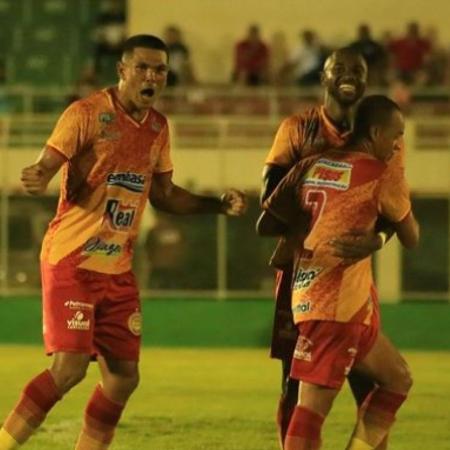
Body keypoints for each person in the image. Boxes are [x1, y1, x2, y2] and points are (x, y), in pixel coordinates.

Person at [0, 34, 246, 449]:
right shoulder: (87, 114)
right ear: (122, 70)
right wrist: (39, 174)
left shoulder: (157, 128)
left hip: (116, 270)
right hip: (72, 261)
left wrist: (216, 205)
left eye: (161, 69)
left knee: (123, 377)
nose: (152, 76)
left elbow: (165, 195)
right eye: (143, 67)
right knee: (70, 369)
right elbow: (47, 163)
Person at [260, 47, 404, 449]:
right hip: (303, 275)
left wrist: (376, 239)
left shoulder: (385, 136)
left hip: (354, 277)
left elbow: (395, 211)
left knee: (371, 382)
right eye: (337, 68)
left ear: (366, 79)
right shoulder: (298, 128)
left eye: (356, 70)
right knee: (295, 380)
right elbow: (268, 196)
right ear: (322, 77)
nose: (347, 75)